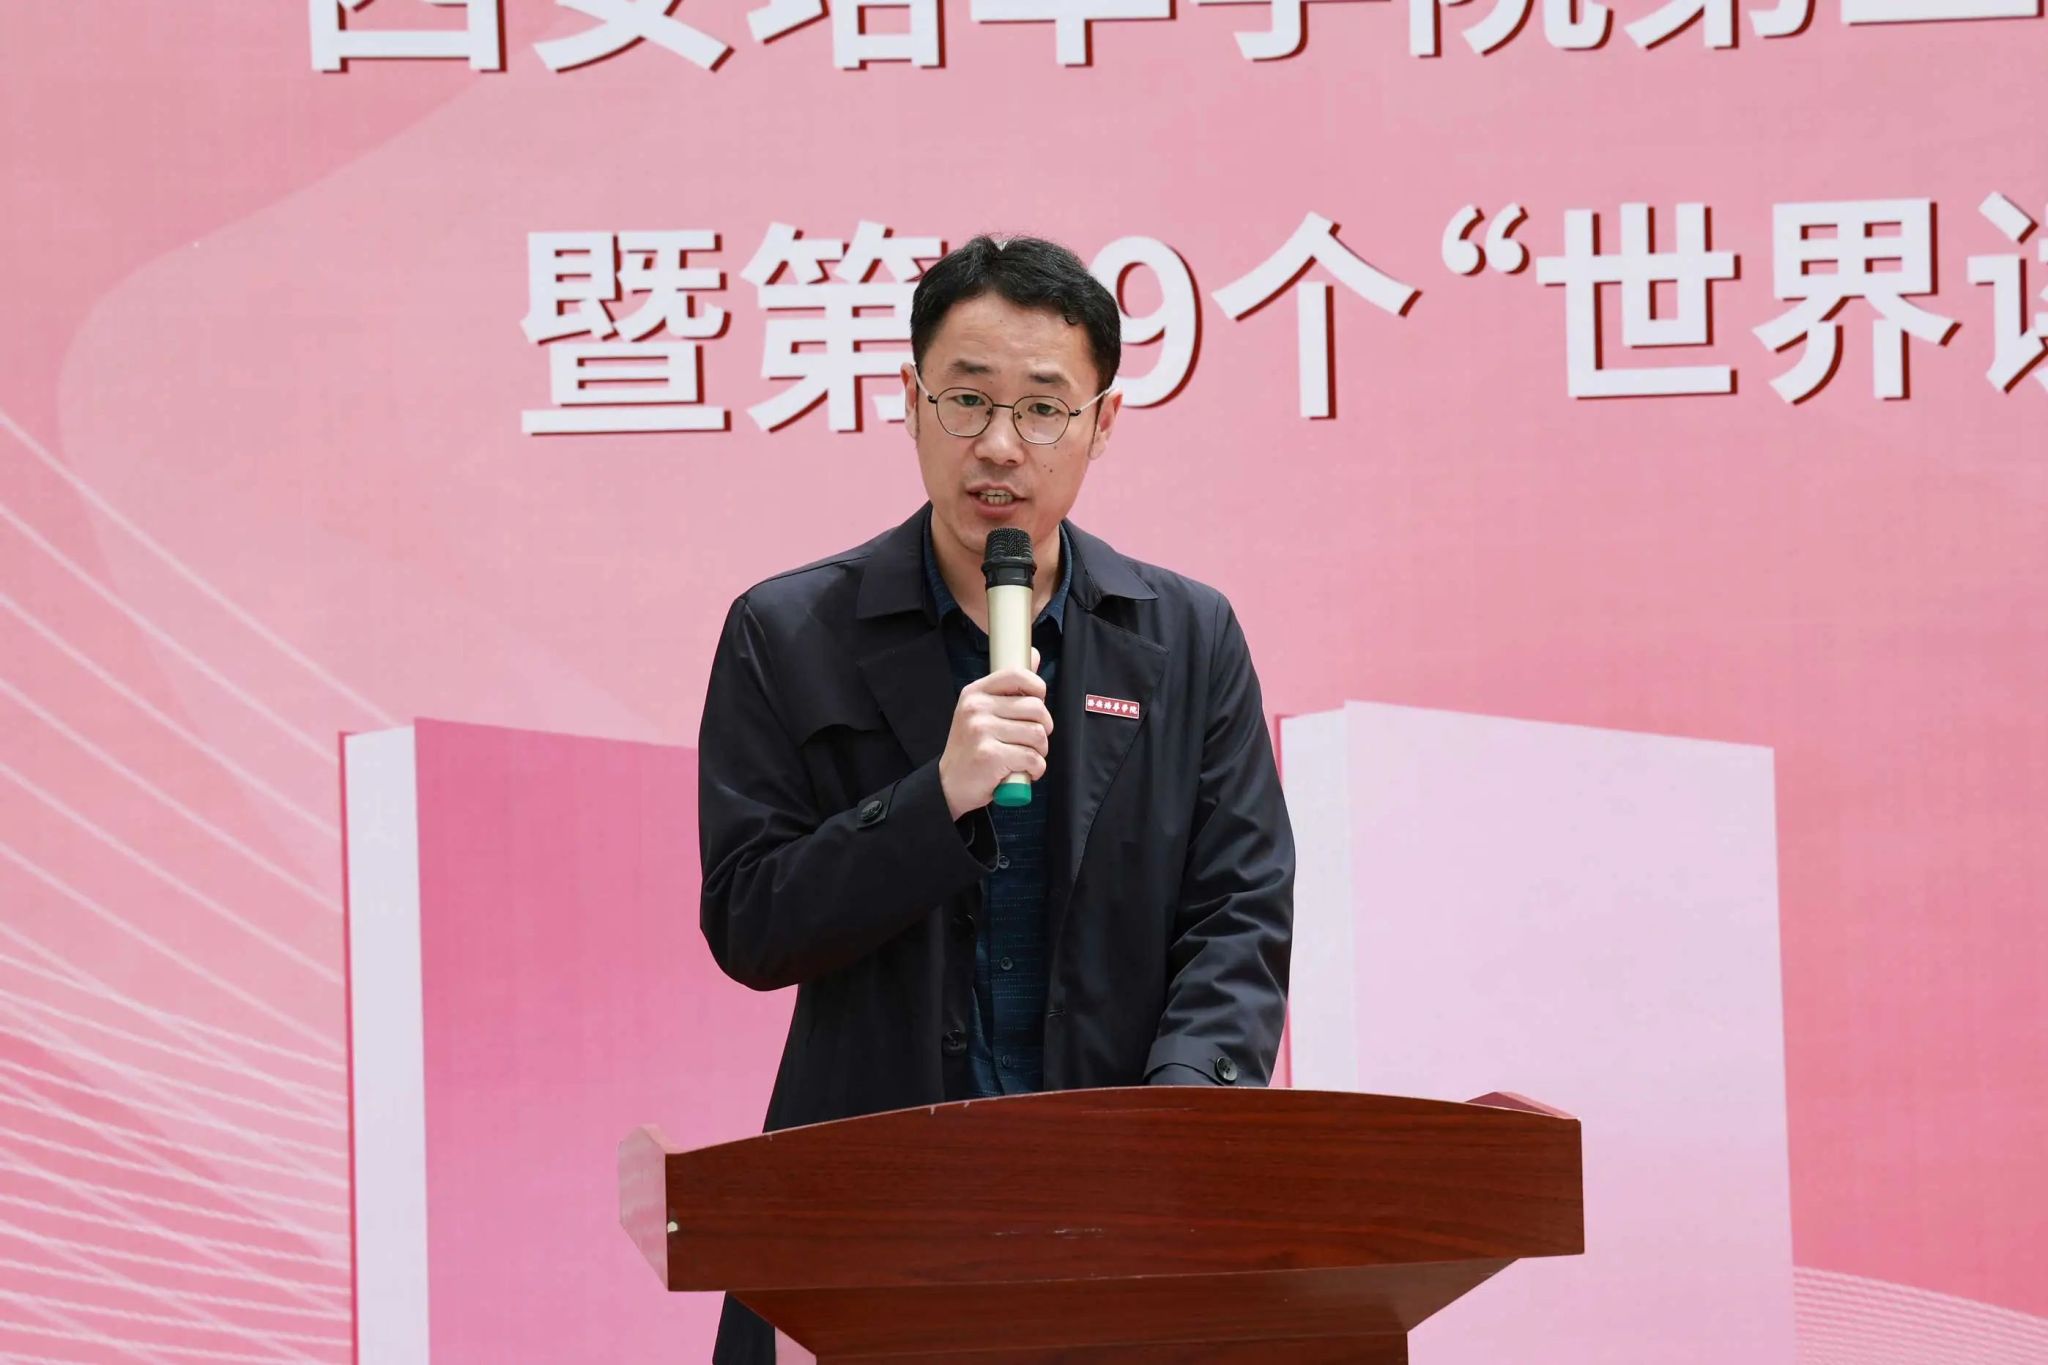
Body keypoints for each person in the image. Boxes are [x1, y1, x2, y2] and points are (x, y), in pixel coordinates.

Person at [697, 234, 1294, 1363]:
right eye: (966, 400)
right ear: (910, 401)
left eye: (1043, 409)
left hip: (1116, 1210)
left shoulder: (1186, 637)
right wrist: (934, 802)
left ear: (1102, 424)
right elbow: (751, 920)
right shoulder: (788, 631)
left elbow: (1239, 914)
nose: (1000, 446)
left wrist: (1173, 1129)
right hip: (871, 1212)